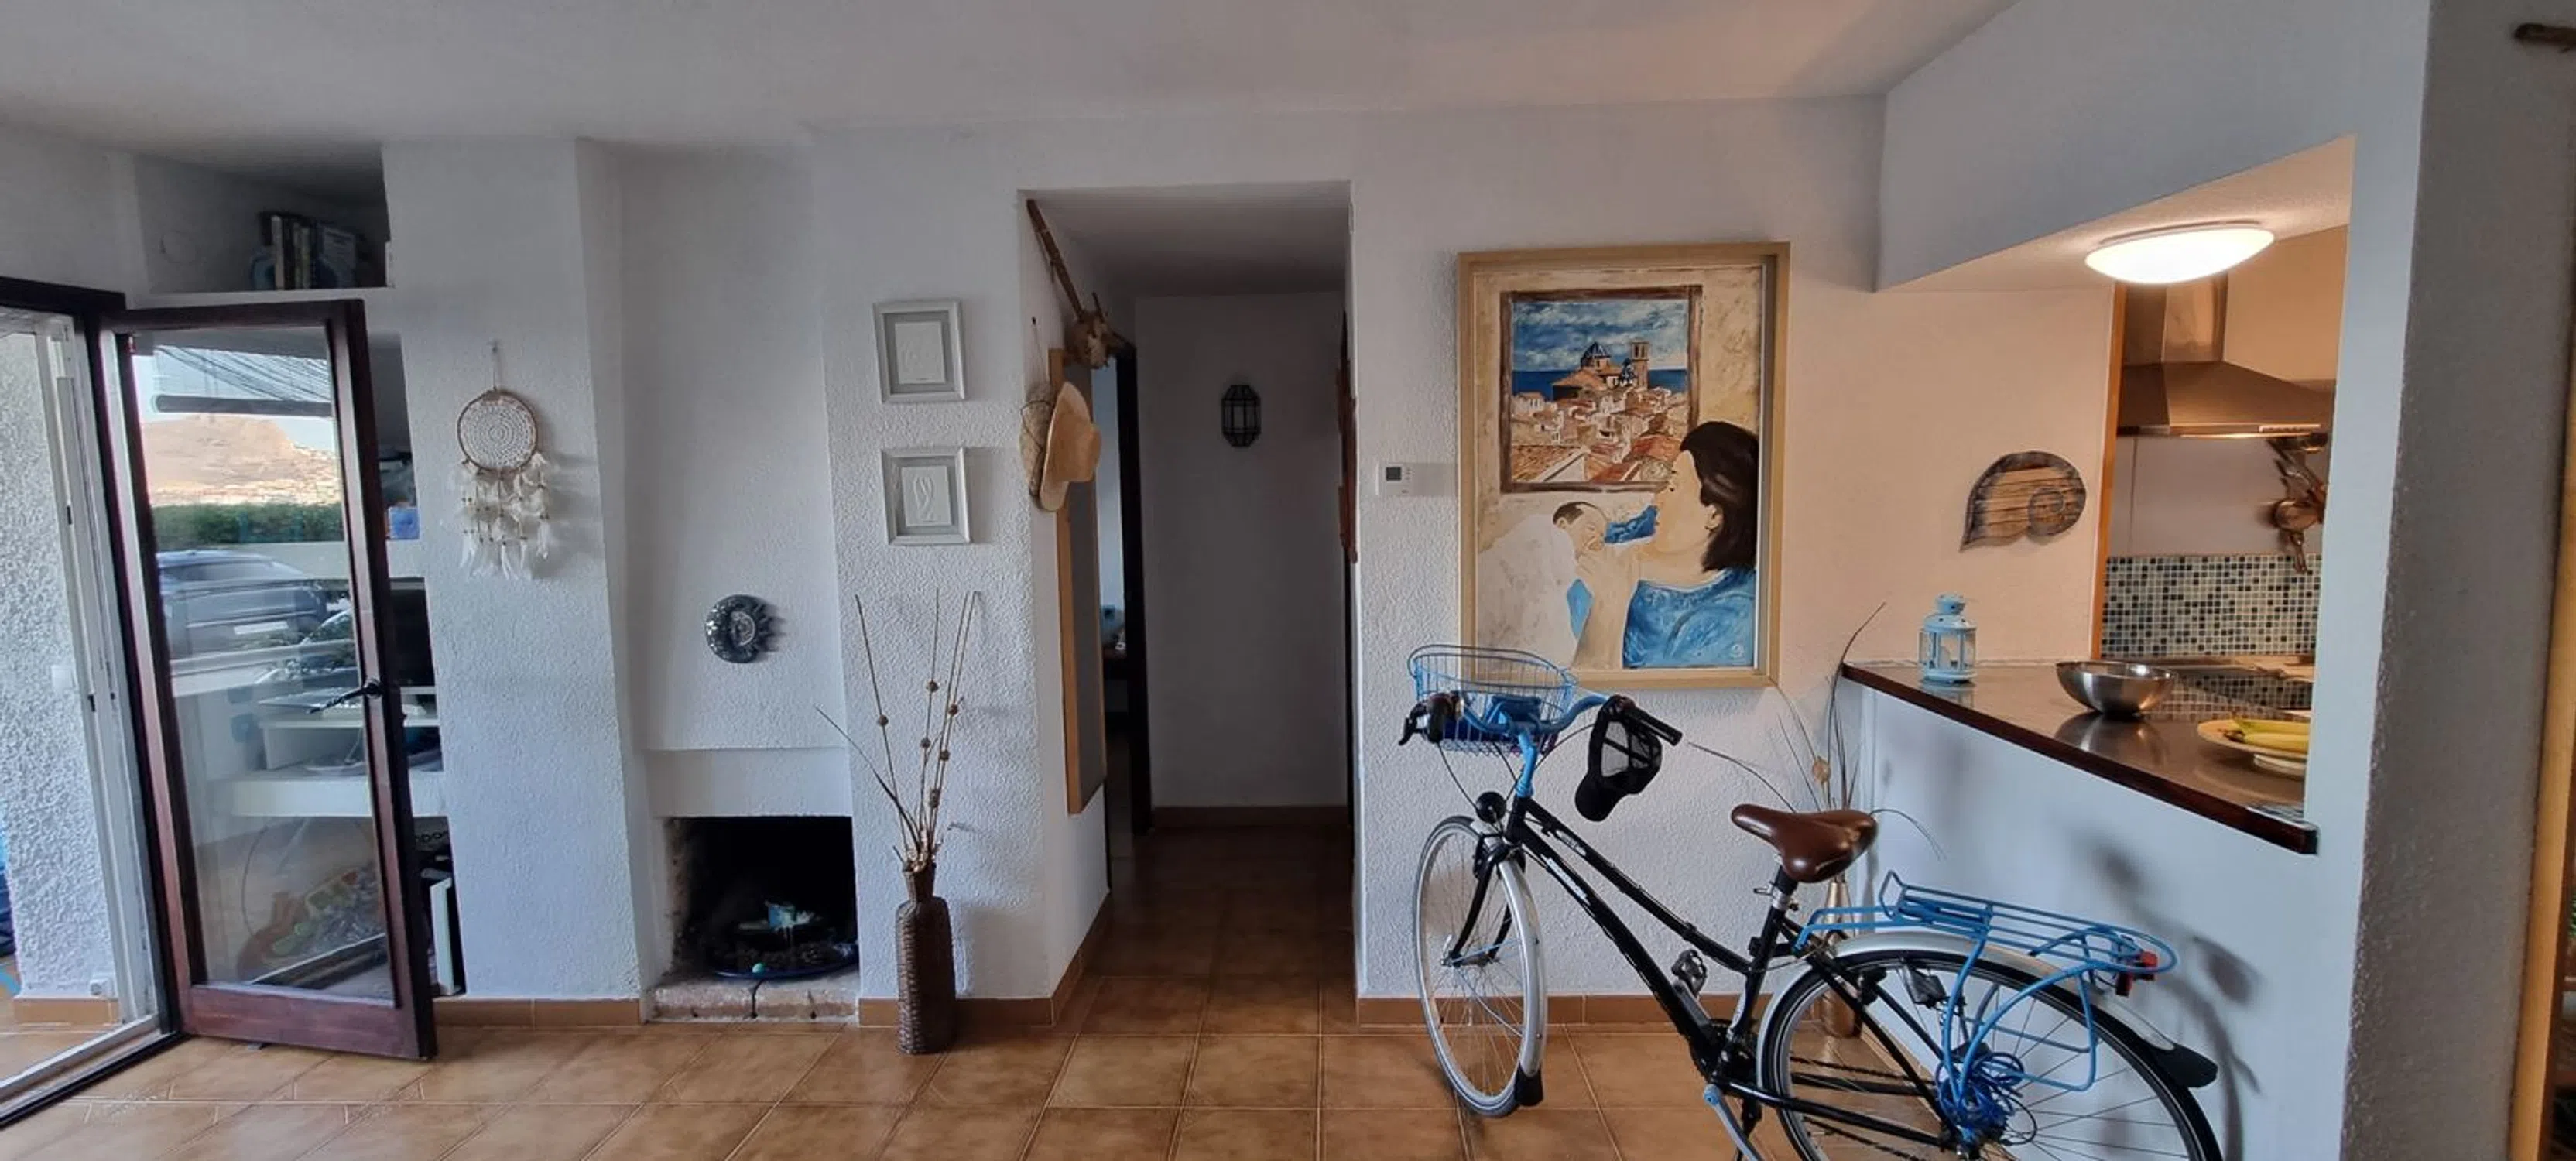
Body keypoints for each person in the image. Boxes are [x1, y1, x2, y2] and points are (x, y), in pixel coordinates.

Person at [1568, 421, 1759, 670]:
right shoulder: (1636, 551)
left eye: (1672, 487)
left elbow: (1592, 687)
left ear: (1714, 515)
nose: (1657, 500)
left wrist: (1608, 605)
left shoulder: (1735, 615)